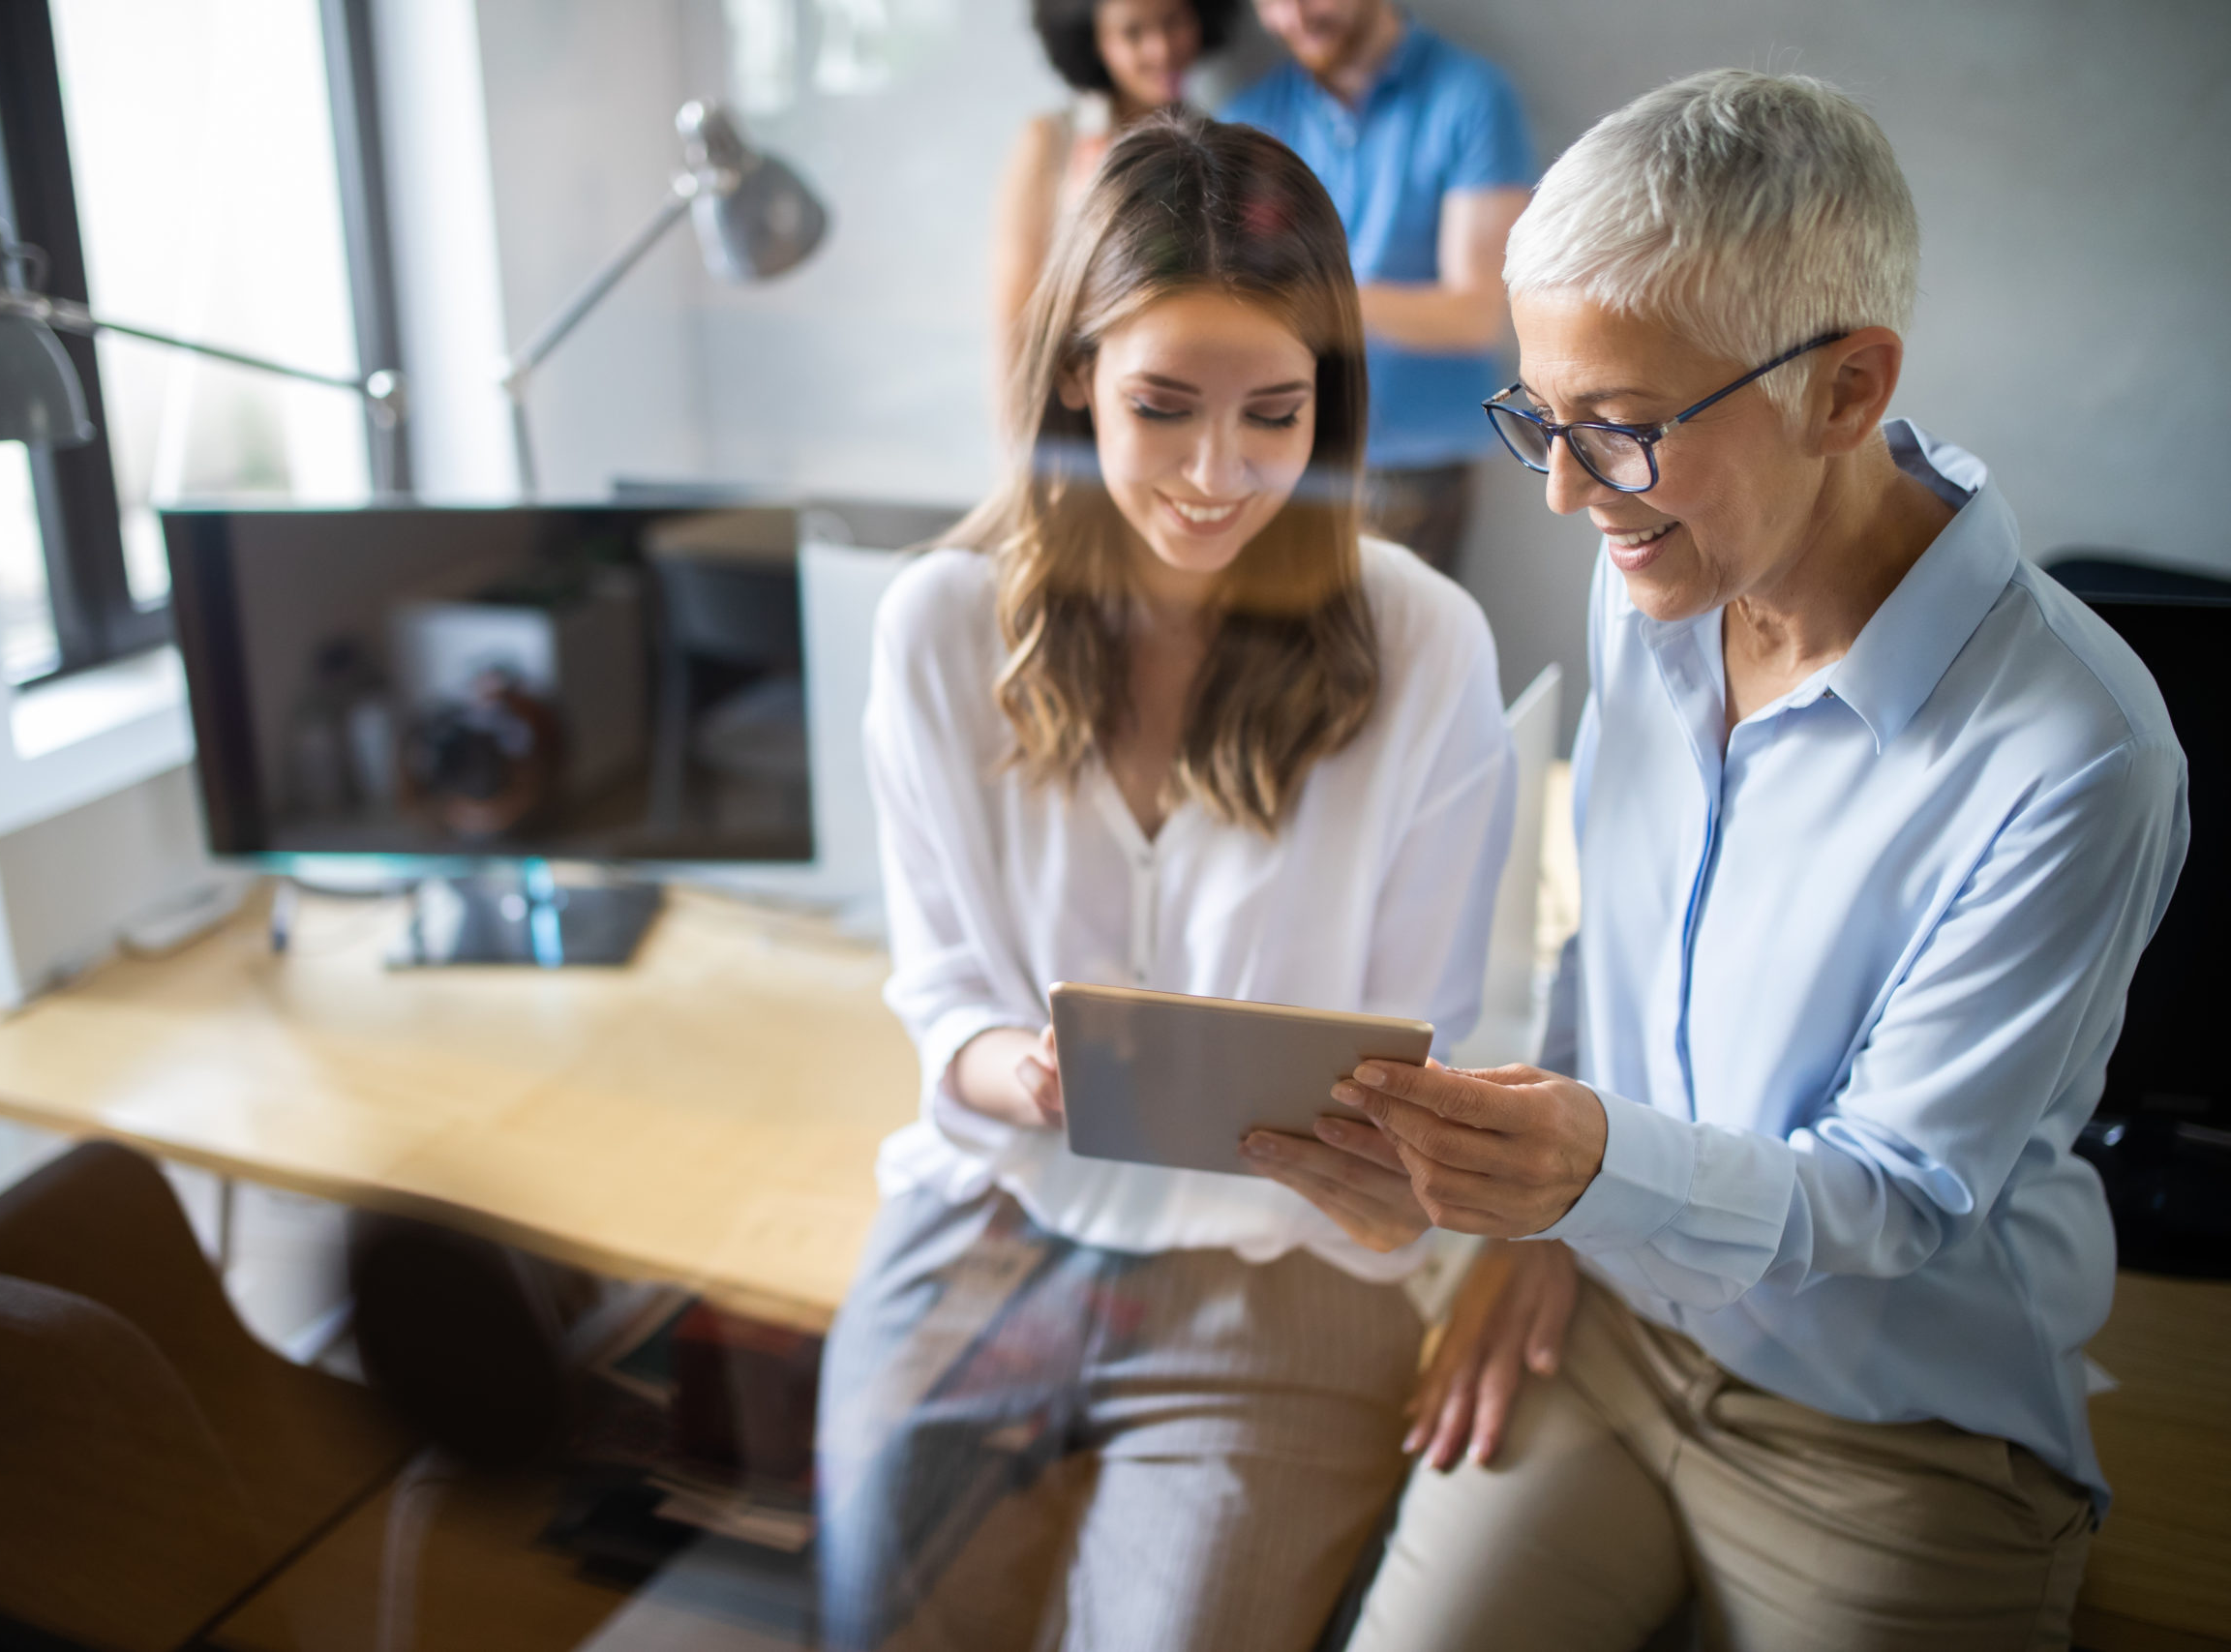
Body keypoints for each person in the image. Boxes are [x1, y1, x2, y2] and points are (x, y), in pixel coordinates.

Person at [1247, 71, 2188, 1651]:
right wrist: (1550, 1227)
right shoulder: (1665, 582)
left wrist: (1597, 1175)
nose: (1559, 492)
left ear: (1845, 387)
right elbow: (1598, 940)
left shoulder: (2077, 751)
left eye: (1615, 432)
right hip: (1604, 1322)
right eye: (1540, 417)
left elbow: (1897, 1194)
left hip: (1895, 1433)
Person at [818, 111, 1515, 1652]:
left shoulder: (1421, 646)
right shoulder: (941, 627)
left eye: (1275, 413)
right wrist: (1024, 1072)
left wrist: (1399, 1169)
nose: (1220, 475)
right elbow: (939, 993)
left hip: (1281, 1266)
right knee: (878, 1622)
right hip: (993, 1217)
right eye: (1163, 408)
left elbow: (1436, 1036)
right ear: (1074, 371)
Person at [1221, 0, 1533, 578]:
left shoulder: (1471, 98)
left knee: (1396, 659)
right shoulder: (1247, 119)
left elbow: (1478, 314)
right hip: (1277, 457)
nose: (1293, 17)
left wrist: (1317, 300)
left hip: (1414, 469)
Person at [989, 0, 1239, 374]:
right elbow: (1013, 314)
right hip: (1074, 393)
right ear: (1095, 41)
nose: (1162, 49)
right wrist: (1019, 425)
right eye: (1132, 33)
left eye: (1174, 21)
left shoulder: (1225, 145)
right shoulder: (1050, 142)